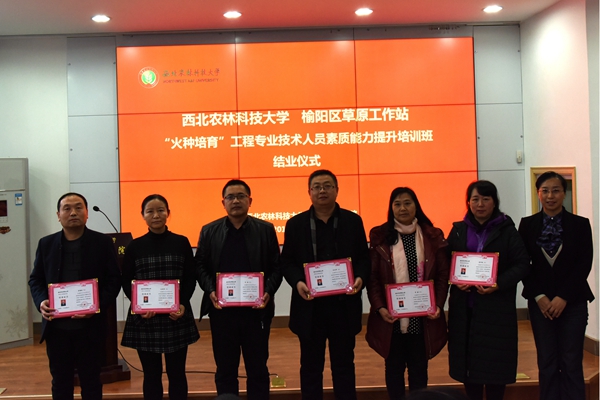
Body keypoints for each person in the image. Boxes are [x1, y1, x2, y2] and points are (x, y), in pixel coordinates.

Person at [280, 169, 370, 400]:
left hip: (344, 307)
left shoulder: (352, 221)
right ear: (309, 192)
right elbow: (287, 262)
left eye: (328, 186)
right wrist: (298, 282)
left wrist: (360, 278)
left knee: (344, 366)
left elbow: (363, 258)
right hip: (310, 308)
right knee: (311, 367)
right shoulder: (295, 224)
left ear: (336, 190)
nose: (322, 190)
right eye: (317, 186)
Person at [28, 192, 121, 400]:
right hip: (57, 329)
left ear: (87, 213)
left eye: (79, 207)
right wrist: (41, 301)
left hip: (90, 328)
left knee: (91, 382)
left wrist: (97, 306)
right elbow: (35, 280)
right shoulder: (46, 244)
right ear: (58, 215)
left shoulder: (102, 242)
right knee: (60, 383)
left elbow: (114, 280)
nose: (73, 213)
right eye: (67, 208)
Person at [196, 179, 282, 399]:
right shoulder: (209, 231)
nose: (236, 201)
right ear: (223, 202)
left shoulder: (265, 230)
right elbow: (200, 266)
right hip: (222, 313)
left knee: (258, 369)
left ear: (250, 201)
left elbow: (277, 267)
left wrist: (268, 292)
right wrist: (211, 290)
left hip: (256, 313)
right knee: (225, 369)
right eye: (231, 197)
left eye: (241, 196)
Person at [446, 180, 529, 400]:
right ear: (468, 202)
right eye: (475, 199)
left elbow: (522, 264)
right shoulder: (458, 230)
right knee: (468, 368)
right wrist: (454, 280)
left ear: (495, 202)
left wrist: (498, 283)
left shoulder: (507, 231)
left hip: (496, 311)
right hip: (465, 311)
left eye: (485, 199)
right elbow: (445, 262)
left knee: (495, 369)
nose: (480, 204)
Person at [366, 187, 450, 399]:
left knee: (419, 370)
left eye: (407, 203)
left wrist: (438, 304)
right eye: (397, 204)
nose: (402, 208)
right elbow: (373, 278)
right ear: (391, 208)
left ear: (416, 206)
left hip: (422, 318)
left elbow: (442, 275)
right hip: (391, 318)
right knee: (393, 370)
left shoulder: (432, 236)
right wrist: (380, 307)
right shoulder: (380, 237)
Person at [518, 171, 594, 400]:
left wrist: (563, 297)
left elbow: (584, 264)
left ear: (564, 193)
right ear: (538, 193)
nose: (550, 196)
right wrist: (539, 296)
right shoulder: (527, 225)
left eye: (556, 190)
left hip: (573, 303)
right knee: (547, 362)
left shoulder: (580, 225)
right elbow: (522, 264)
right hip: (540, 305)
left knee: (571, 362)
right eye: (545, 191)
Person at [121, 194, 199, 400]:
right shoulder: (134, 246)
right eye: (150, 211)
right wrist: (138, 306)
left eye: (160, 210)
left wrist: (183, 303)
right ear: (143, 215)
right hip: (146, 319)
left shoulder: (181, 242)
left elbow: (190, 277)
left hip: (176, 316)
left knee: (177, 373)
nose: (156, 215)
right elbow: (126, 280)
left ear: (168, 213)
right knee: (151, 374)